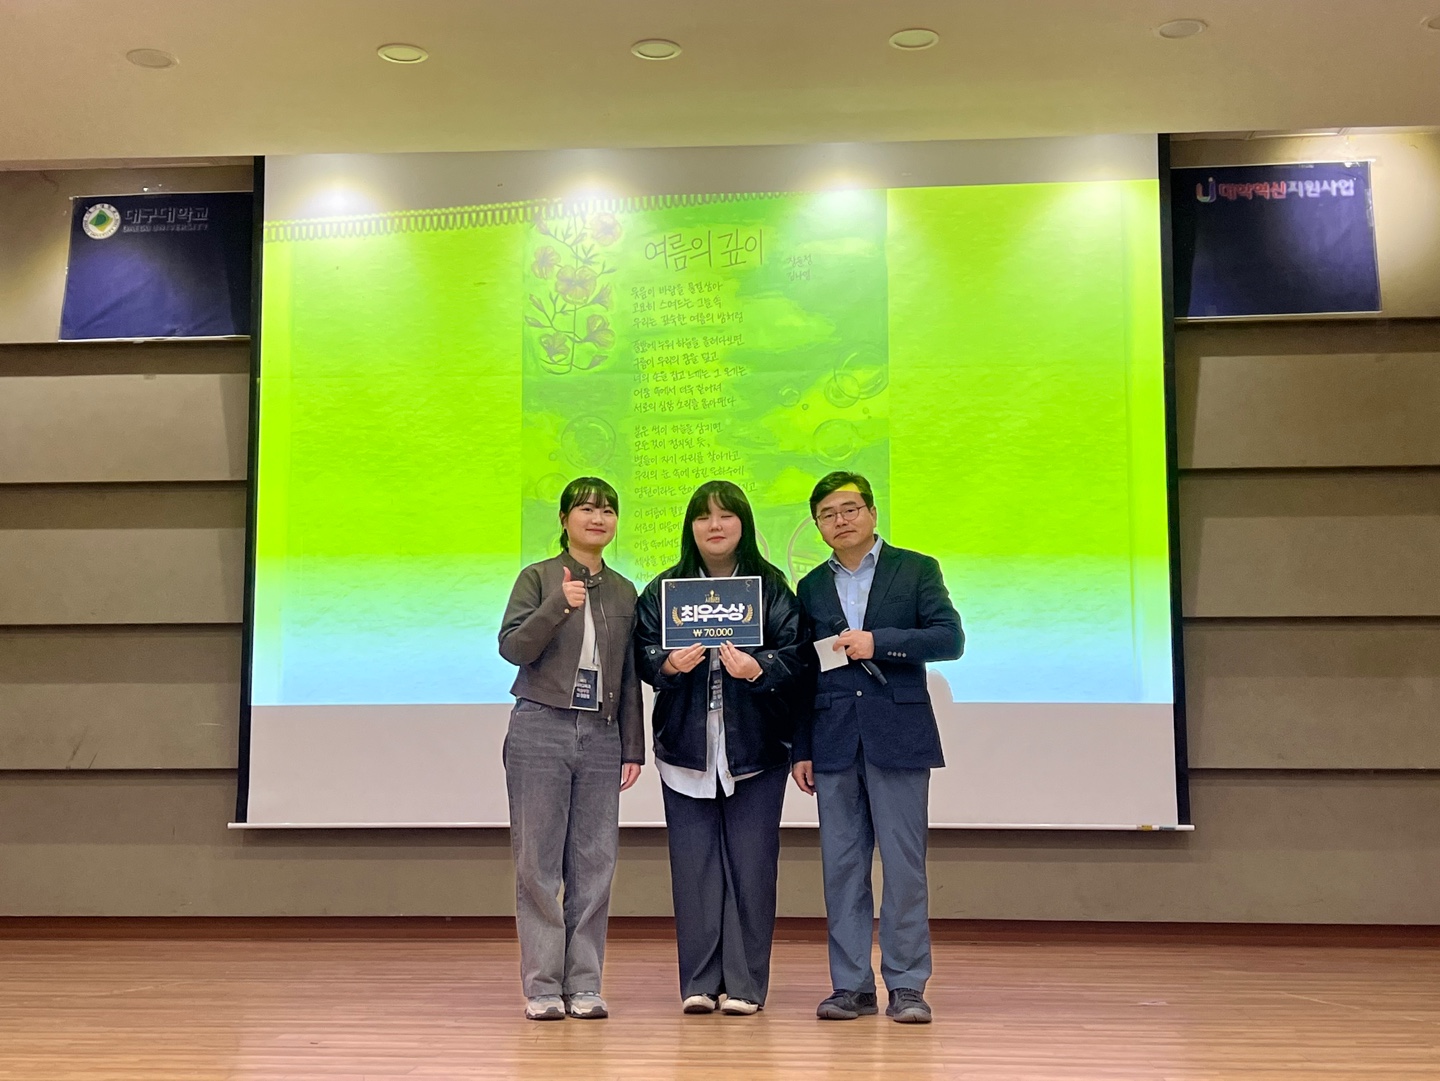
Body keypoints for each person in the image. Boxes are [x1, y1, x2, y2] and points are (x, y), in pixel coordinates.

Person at [791, 471, 964, 1025]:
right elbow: (805, 671)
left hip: (899, 736)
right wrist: (801, 747)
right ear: (818, 527)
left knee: (904, 867)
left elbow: (949, 638)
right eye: (827, 514)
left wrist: (878, 642)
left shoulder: (915, 569)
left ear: (871, 512)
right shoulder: (811, 586)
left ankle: (908, 985)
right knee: (841, 869)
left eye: (849, 509)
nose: (840, 520)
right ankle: (851, 987)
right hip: (833, 740)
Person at [634, 480, 807, 1016]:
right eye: (703, 517)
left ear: (744, 524)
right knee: (693, 871)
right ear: (690, 527)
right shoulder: (664, 590)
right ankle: (700, 983)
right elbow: (640, 652)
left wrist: (759, 668)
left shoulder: (772, 588)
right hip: (684, 750)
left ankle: (747, 985)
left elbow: (798, 657)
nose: (715, 526)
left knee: (753, 869)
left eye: (726, 516)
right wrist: (667, 663)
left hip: (757, 751)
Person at [497, 477, 644, 1021]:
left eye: (608, 510)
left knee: (595, 862)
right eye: (586, 509)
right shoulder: (537, 578)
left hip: (601, 733)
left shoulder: (624, 590)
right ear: (564, 520)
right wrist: (559, 604)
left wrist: (633, 746)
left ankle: (584, 984)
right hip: (541, 725)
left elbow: (628, 675)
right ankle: (541, 986)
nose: (598, 518)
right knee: (538, 863)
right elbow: (513, 648)